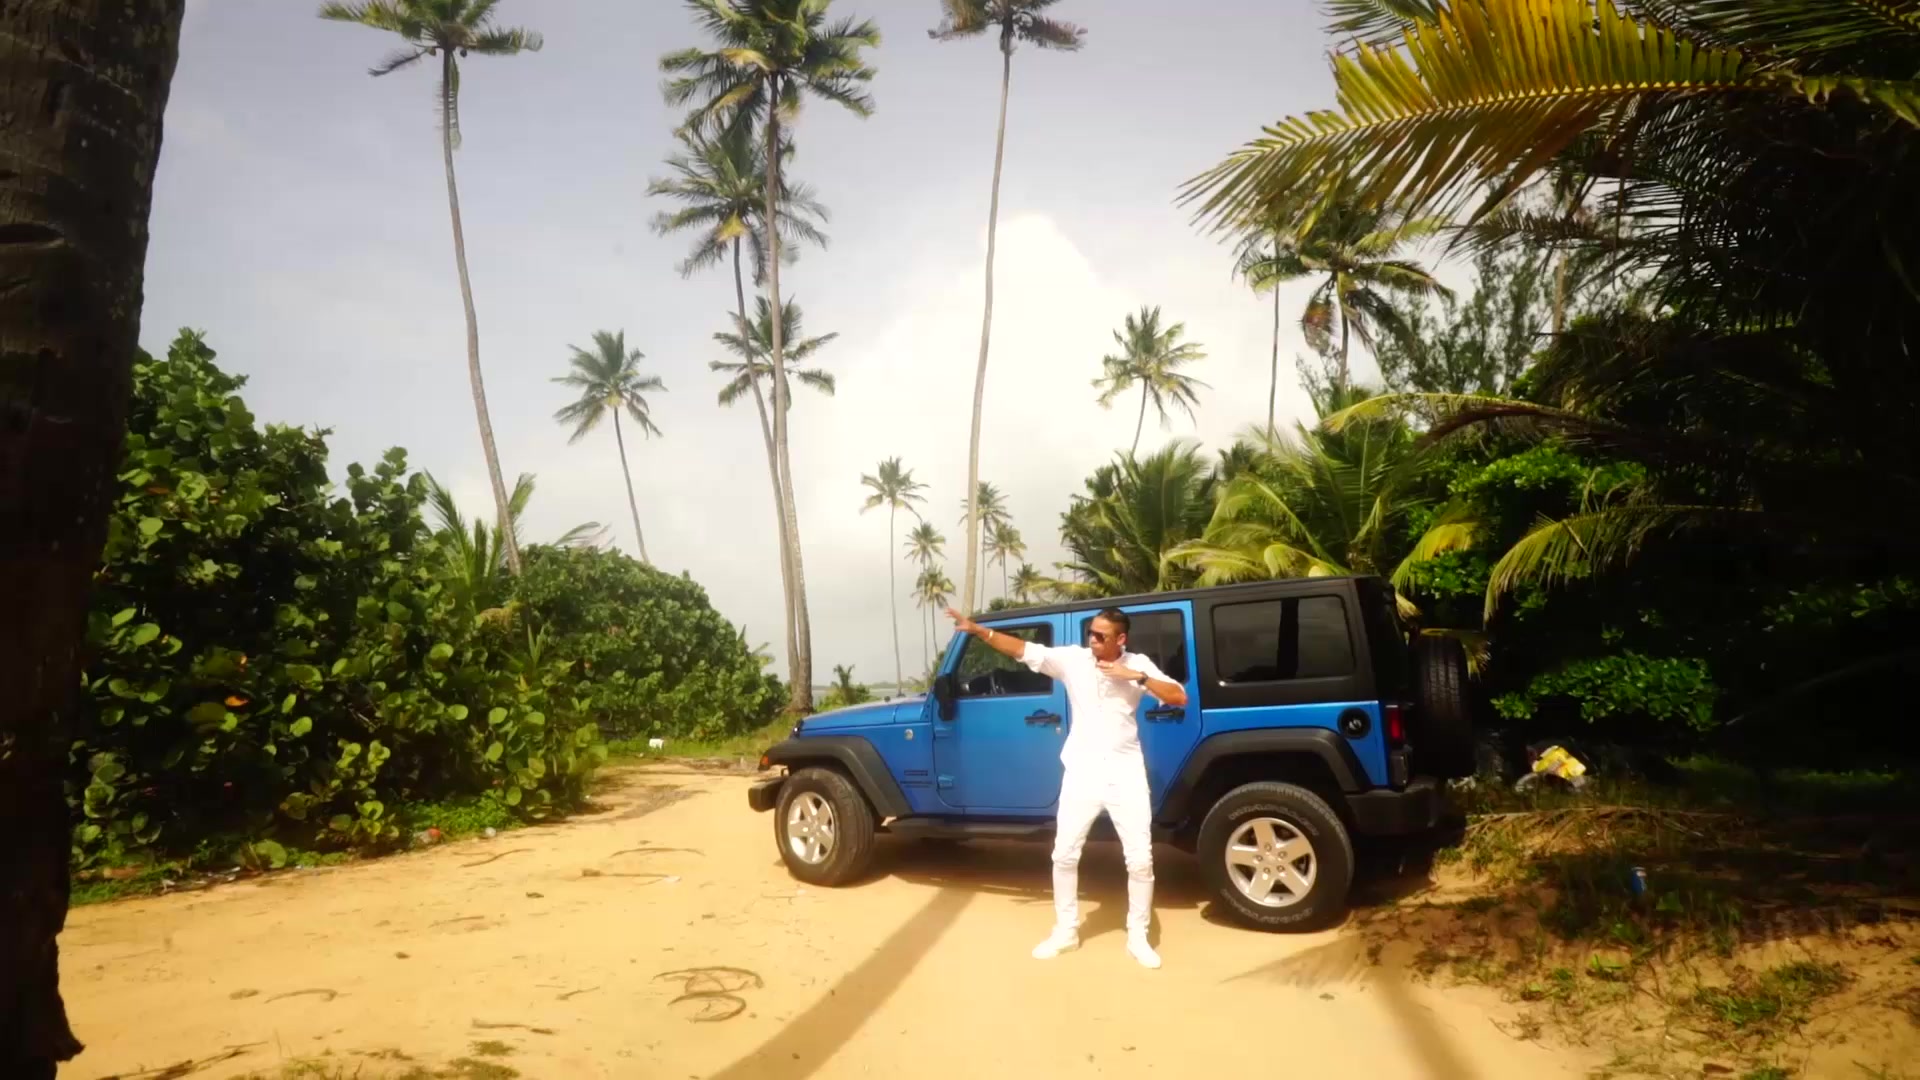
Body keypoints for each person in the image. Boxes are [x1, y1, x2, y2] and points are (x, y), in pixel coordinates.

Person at [945, 606, 1188, 968]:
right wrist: (979, 631)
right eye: (1091, 633)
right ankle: (1066, 931)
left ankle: (1137, 937)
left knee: (1140, 860)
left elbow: (1178, 697)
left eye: (1101, 636)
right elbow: (1023, 650)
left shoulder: (1138, 664)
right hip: (1082, 772)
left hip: (1125, 773)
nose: (1093, 640)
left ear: (1121, 639)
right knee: (1064, 854)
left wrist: (1136, 677)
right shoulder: (1074, 660)